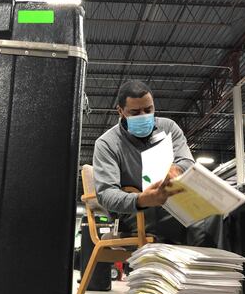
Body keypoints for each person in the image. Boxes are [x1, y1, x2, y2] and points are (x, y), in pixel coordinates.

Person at [92, 80, 218, 247]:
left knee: (216, 211)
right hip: (134, 212)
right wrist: (142, 199)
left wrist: (177, 169)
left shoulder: (168, 127)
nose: (143, 116)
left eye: (148, 110)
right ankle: (201, 268)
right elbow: (106, 194)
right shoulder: (107, 144)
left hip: (173, 201)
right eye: (135, 112)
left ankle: (211, 267)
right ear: (120, 111)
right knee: (197, 222)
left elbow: (187, 161)